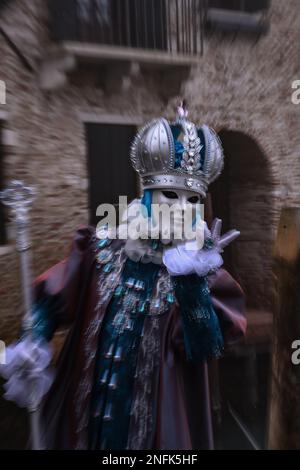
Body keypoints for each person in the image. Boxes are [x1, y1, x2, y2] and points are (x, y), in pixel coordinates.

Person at [0, 105, 246, 450]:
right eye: (171, 195)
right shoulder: (101, 248)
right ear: (145, 196)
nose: (180, 208)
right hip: (86, 413)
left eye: (193, 200)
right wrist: (34, 338)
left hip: (155, 423)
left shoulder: (202, 271)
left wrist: (190, 281)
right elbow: (53, 300)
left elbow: (206, 346)